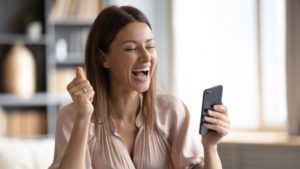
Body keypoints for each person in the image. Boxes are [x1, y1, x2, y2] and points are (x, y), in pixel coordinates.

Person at [49, 5, 230, 169]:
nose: (146, 57)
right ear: (104, 58)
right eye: (131, 49)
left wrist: (210, 146)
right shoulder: (74, 117)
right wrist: (83, 117)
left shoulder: (172, 111)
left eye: (150, 46)